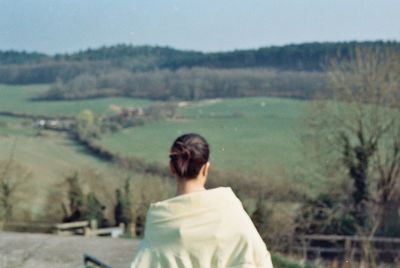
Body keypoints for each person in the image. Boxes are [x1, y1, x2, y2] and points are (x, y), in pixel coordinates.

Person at [131, 133, 273, 268]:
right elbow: (260, 261)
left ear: (172, 168)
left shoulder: (159, 222)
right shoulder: (231, 212)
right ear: (206, 168)